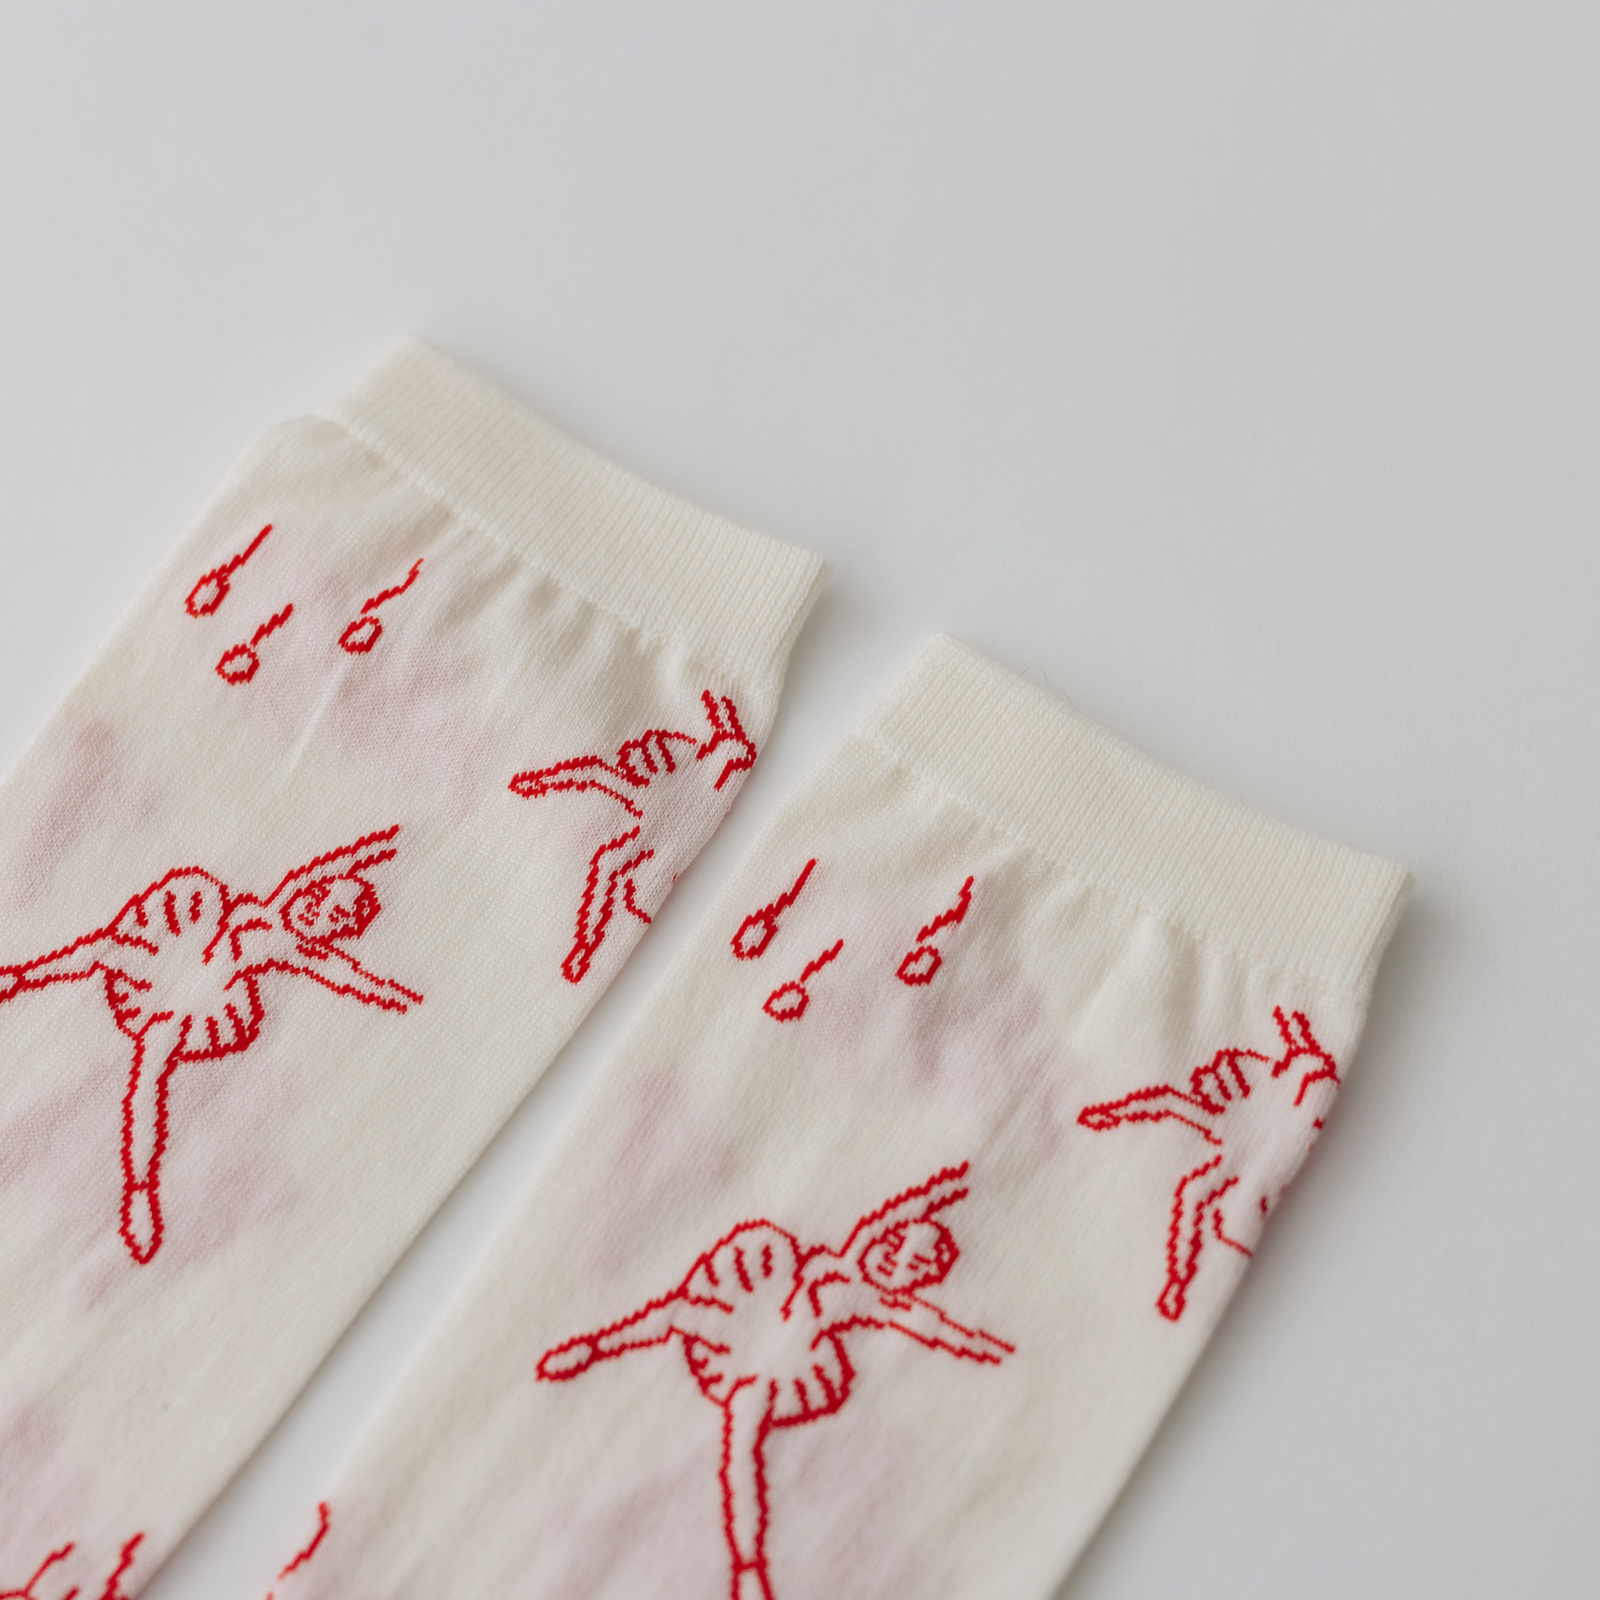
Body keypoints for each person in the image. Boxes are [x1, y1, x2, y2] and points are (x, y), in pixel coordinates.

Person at [538, 1162, 1012, 1600]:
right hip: (752, 1298)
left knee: (743, 1441)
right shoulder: (857, 1249)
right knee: (688, 1314)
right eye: (904, 1241)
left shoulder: (871, 1299)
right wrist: (949, 1187)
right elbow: (905, 1210)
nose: (900, 1254)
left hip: (782, 1368)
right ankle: (592, 1348)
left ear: (912, 1282)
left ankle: (747, 1565)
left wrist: (976, 1342)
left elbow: (922, 1322)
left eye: (915, 1264)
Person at [0, 826, 421, 1263]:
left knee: (150, 1069)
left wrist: (390, 992)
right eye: (326, 895)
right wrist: (380, 847)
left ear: (329, 932)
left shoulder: (293, 948)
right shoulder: (277, 899)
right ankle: (19, 978)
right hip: (177, 941)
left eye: (333, 916)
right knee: (114, 950)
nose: (319, 907)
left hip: (199, 1005)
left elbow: (341, 971)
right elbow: (329, 867)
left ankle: (140, 1190)